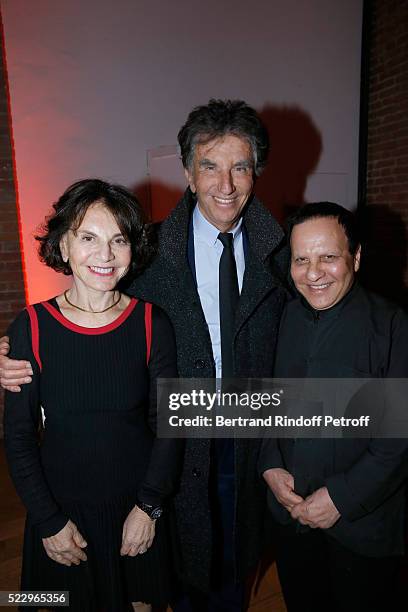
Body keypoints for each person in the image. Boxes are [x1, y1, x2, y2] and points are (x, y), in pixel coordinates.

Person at [1, 100, 289, 611]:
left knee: (230, 575)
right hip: (166, 455)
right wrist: (12, 353)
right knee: (120, 588)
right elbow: (87, 313)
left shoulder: (283, 253)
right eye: (209, 165)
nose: (225, 184)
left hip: (244, 441)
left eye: (240, 166)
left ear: (255, 172)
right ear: (186, 172)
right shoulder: (147, 252)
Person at [3, 179, 181, 612]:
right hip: (62, 513)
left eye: (118, 240)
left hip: (135, 511)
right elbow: (19, 435)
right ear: (63, 246)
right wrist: (47, 520)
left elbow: (171, 425)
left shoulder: (151, 322)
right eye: (88, 238)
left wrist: (149, 508)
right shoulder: (31, 327)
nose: (105, 255)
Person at [259, 202, 408, 612]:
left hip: (362, 529)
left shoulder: (394, 326)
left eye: (328, 257)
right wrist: (270, 464)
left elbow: (398, 441)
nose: (313, 272)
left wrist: (340, 498)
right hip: (292, 523)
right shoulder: (284, 317)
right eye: (301, 259)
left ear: (355, 257)